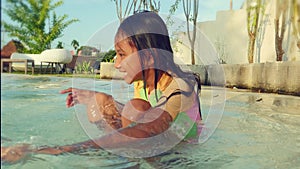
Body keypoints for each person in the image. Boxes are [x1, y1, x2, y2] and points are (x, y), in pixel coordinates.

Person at [1, 11, 202, 163]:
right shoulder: (145, 83)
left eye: (122, 54)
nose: (116, 63)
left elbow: (145, 129)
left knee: (136, 108)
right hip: (157, 142)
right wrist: (98, 98)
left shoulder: (179, 89)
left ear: (148, 57)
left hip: (177, 159)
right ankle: (118, 154)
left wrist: (56, 149)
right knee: (99, 103)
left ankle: (121, 156)